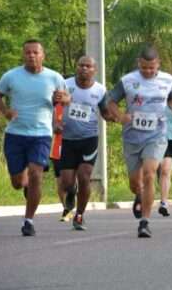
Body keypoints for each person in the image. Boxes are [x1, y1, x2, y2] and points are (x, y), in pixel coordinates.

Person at [0, 40, 69, 236]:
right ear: (23, 55)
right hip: (15, 134)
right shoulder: (11, 76)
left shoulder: (54, 77)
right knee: (17, 182)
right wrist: (6, 111)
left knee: (36, 174)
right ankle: (24, 184)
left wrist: (63, 102)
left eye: (35, 52)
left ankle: (29, 221)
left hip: (41, 134)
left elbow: (66, 99)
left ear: (43, 55)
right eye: (28, 52)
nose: (31, 56)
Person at [108, 46, 172, 238]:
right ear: (139, 63)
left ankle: (145, 222)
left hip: (157, 135)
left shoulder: (169, 80)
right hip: (132, 136)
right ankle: (138, 195)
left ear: (158, 65)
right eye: (144, 67)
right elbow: (110, 101)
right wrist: (121, 116)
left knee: (149, 174)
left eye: (152, 68)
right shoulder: (128, 81)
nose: (148, 71)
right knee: (135, 183)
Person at [57, 56, 112, 231]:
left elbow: (104, 111)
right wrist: (55, 122)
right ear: (76, 67)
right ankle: (71, 193)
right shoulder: (65, 84)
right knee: (66, 182)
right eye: (81, 65)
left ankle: (79, 215)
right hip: (66, 139)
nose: (84, 69)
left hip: (89, 139)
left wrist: (116, 117)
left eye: (88, 66)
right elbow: (54, 105)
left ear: (95, 70)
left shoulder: (100, 90)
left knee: (84, 177)